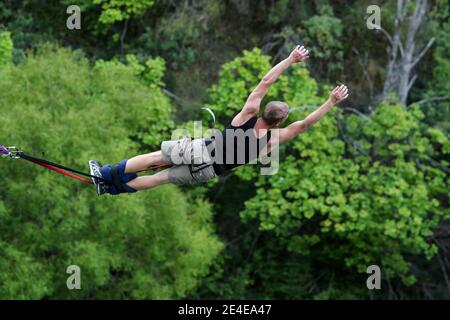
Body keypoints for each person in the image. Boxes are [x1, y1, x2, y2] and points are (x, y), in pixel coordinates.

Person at [89, 45, 349, 196]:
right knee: (161, 179)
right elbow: (305, 124)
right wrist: (330, 102)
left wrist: (290, 59)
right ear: (279, 122)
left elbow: (266, 82)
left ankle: (106, 174)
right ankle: (110, 189)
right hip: (209, 171)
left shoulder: (246, 115)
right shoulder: (272, 140)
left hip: (201, 149)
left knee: (156, 158)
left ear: (263, 110)